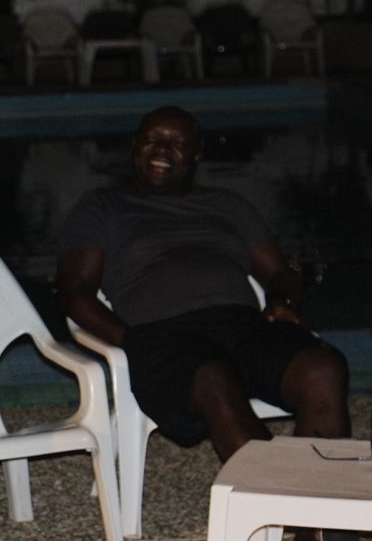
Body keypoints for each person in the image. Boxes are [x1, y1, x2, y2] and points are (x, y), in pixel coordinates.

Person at [56, 105, 351, 461]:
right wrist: (130, 341)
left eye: (177, 143)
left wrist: (282, 302)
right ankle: (271, 488)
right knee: (214, 379)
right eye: (152, 140)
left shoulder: (227, 204)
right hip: (163, 335)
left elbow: (281, 272)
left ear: (195, 155)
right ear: (135, 147)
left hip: (243, 327)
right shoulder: (102, 207)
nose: (162, 150)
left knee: (323, 368)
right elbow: (75, 291)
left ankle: (315, 490)